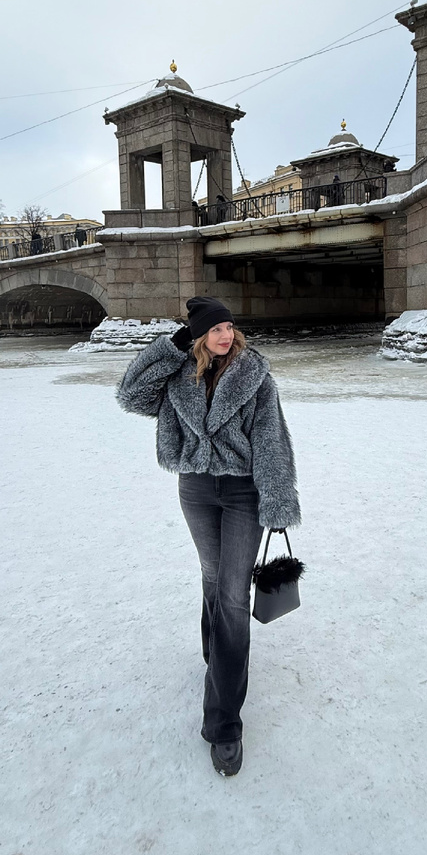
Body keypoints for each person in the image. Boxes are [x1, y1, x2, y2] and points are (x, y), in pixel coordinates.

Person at [116, 296, 300, 777]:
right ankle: (215, 654)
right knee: (214, 577)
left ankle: (224, 725)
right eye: (213, 328)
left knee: (234, 596)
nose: (224, 334)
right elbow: (130, 395)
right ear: (196, 336)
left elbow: (272, 440)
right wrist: (170, 349)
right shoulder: (180, 372)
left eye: (228, 326)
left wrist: (277, 501)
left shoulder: (255, 374)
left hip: (243, 493)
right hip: (196, 488)